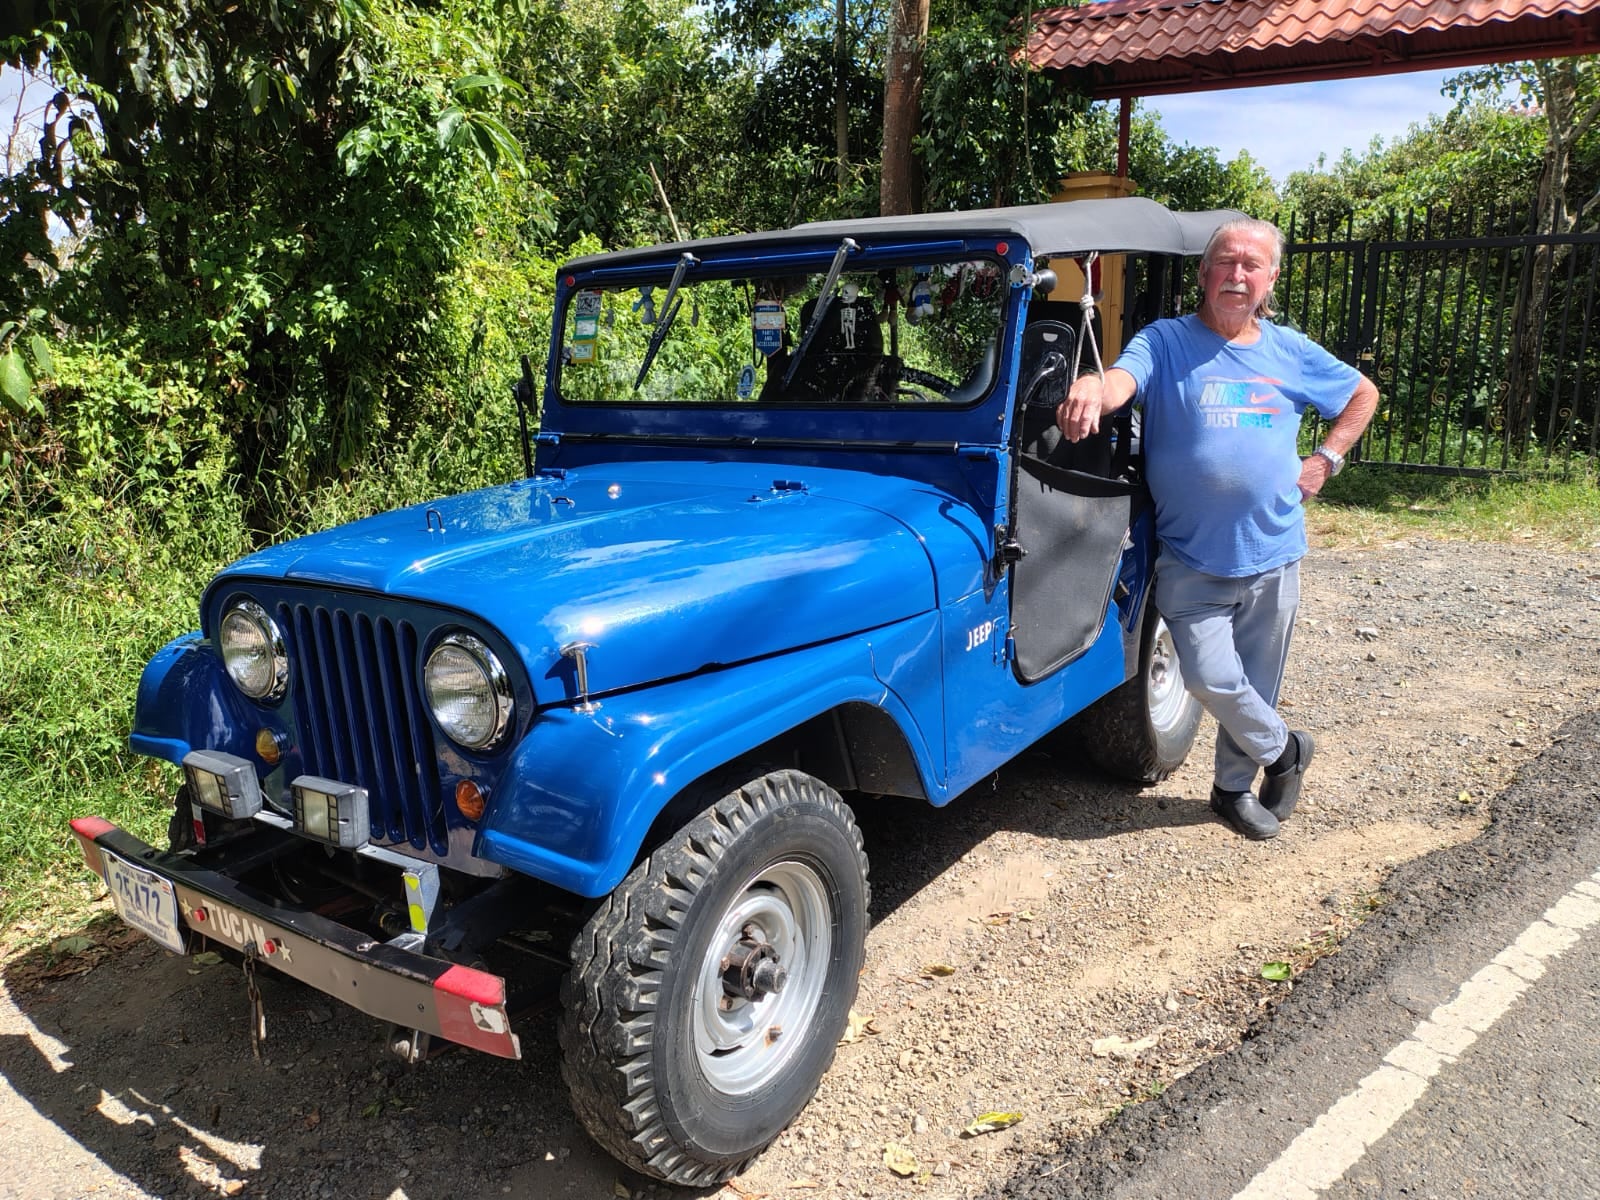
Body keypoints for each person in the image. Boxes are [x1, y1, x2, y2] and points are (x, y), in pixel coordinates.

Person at [1056, 216, 1378, 840]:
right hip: (1191, 556)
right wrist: (1094, 386)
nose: (1237, 274)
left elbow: (1361, 394)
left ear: (1270, 279)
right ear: (1204, 274)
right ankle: (1284, 751)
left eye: (1251, 265)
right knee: (1209, 677)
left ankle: (1232, 788)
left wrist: (1326, 460)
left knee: (1257, 681)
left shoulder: (1290, 351)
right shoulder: (1166, 340)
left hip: (1273, 551)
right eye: (1226, 262)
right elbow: (1123, 379)